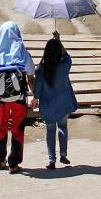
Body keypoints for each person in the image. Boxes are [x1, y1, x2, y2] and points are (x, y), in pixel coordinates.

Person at [0, 21, 35, 173]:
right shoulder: (21, 51)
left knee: (0, 128)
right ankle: (14, 164)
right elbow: (31, 77)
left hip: (0, 101)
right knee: (17, 129)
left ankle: (0, 160)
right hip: (19, 100)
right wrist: (36, 96)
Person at [32, 33, 77, 169]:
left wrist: (35, 99)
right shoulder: (64, 66)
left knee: (50, 131)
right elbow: (68, 57)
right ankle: (63, 154)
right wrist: (59, 41)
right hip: (63, 102)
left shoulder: (41, 70)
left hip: (48, 105)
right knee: (62, 127)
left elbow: (38, 89)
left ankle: (52, 160)